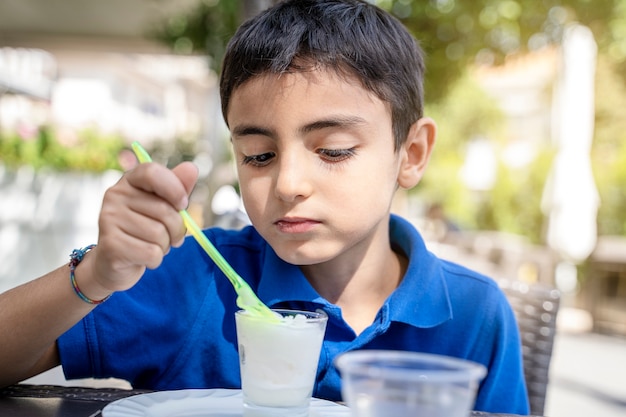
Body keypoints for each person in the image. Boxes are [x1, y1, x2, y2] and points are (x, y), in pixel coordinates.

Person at [0, 0, 529, 414]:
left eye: (333, 150)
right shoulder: (195, 283)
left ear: (410, 154)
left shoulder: (472, 315)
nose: (289, 183)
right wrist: (97, 274)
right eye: (259, 155)